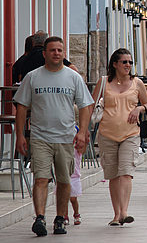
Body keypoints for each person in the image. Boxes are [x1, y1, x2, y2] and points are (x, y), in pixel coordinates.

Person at [14, 36, 93, 237]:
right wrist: (20, 136)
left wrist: (82, 132)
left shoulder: (73, 77)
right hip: (40, 137)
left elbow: (86, 106)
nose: (56, 53)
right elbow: (21, 107)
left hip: (66, 137)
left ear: (63, 53)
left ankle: (60, 218)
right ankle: (39, 217)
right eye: (52, 50)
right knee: (40, 177)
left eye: (59, 50)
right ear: (44, 53)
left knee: (64, 180)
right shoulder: (32, 77)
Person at [92, 48, 147, 226]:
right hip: (107, 134)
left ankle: (124, 211)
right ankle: (116, 215)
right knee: (113, 175)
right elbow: (90, 106)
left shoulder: (137, 83)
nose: (128, 65)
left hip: (130, 134)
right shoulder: (103, 83)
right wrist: (82, 131)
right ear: (115, 64)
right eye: (124, 62)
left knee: (126, 173)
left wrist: (139, 108)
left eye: (130, 62)